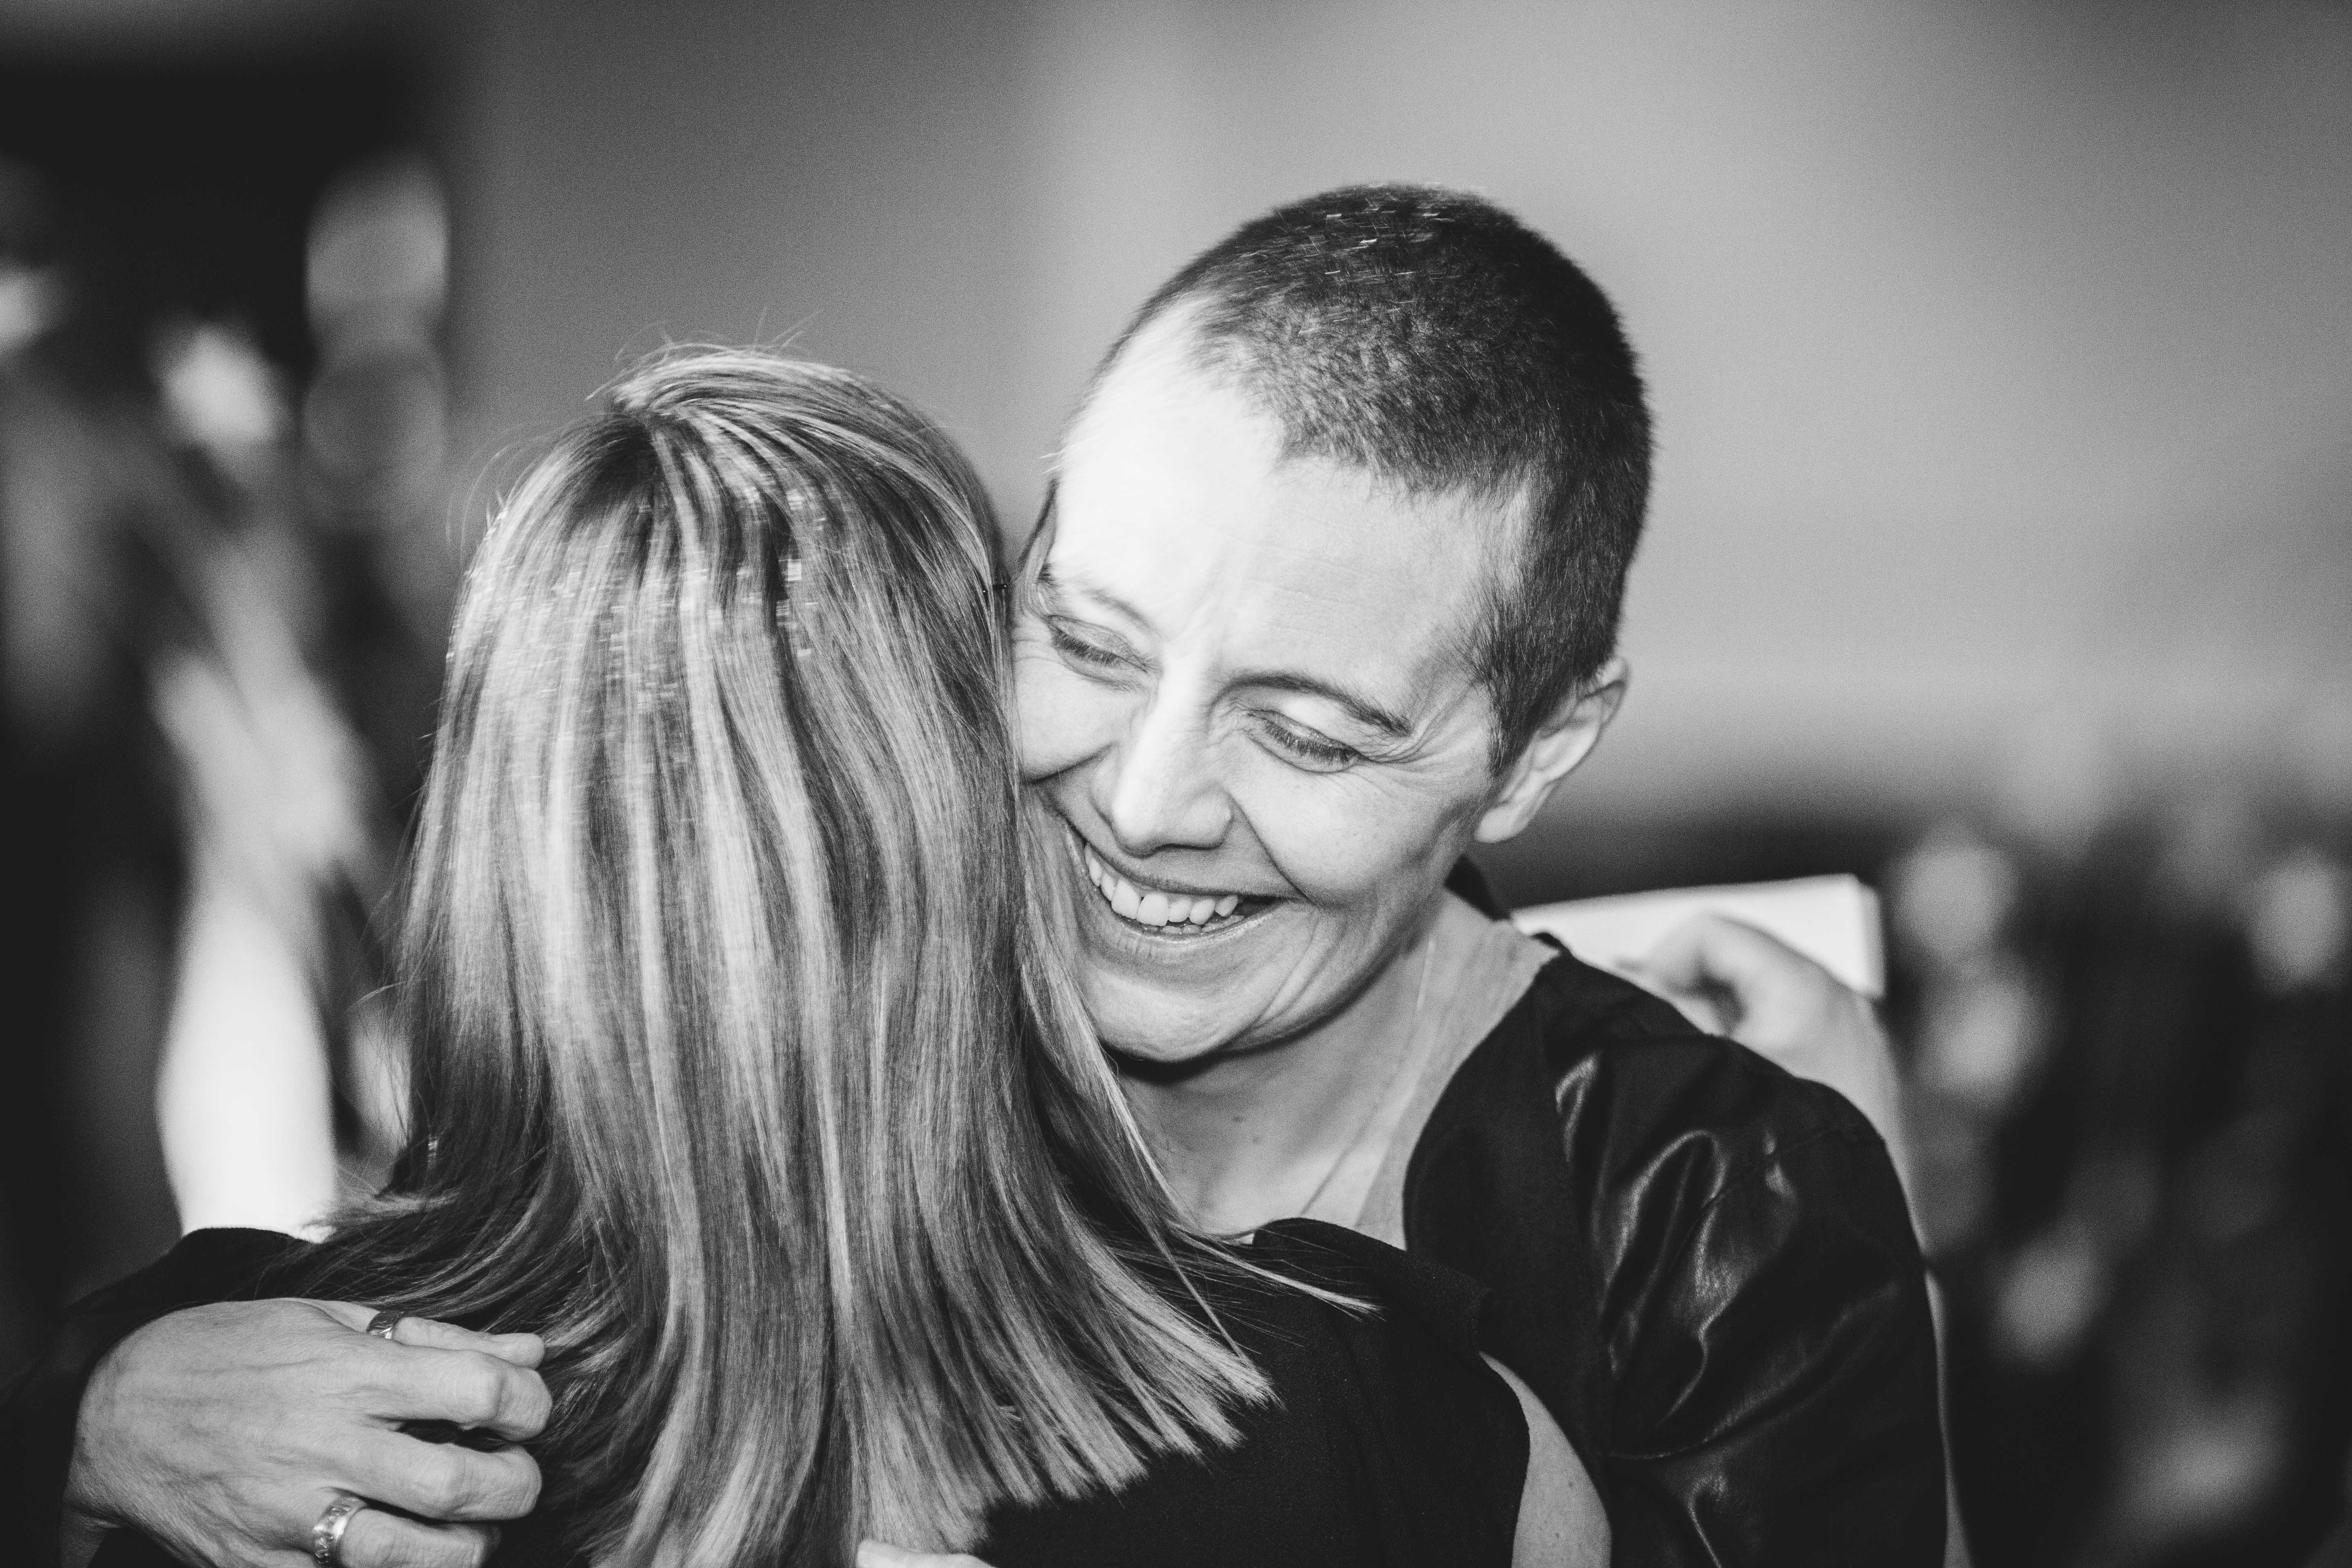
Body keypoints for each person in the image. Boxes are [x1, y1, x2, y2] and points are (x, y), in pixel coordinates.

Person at [16, 187, 1944, 1566]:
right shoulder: (778, 1011)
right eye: (1089, 641)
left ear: (1537, 752)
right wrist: (83, 1427)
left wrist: (1825, 1212)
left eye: (1310, 736)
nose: (1144, 804)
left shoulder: (1703, 1208)